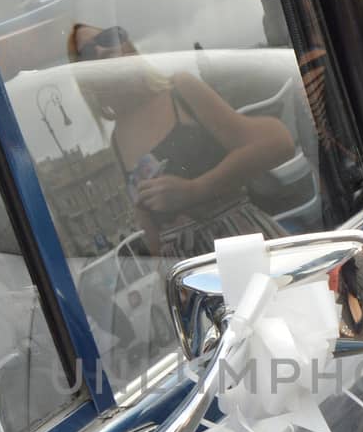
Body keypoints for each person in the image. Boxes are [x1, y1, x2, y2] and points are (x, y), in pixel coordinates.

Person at [67, 23, 294, 259]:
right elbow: (152, 235)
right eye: (88, 53)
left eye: (108, 38)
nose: (102, 51)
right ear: (87, 79)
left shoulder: (180, 90)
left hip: (239, 244)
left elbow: (277, 142)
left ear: (128, 47)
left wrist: (194, 190)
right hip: (188, 270)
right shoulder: (117, 141)